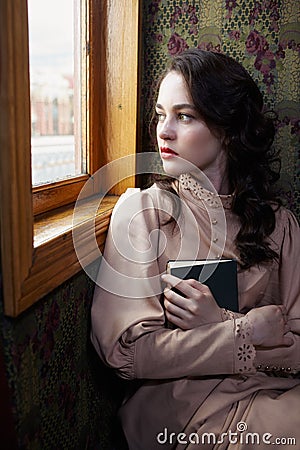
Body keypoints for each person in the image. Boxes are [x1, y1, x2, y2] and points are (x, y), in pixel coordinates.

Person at [91, 49, 300, 449]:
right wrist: (240, 330)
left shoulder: (280, 225)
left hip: (270, 394)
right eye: (159, 114)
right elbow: (127, 355)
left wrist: (221, 325)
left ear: (226, 128)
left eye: (184, 116)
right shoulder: (143, 212)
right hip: (177, 409)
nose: (163, 131)